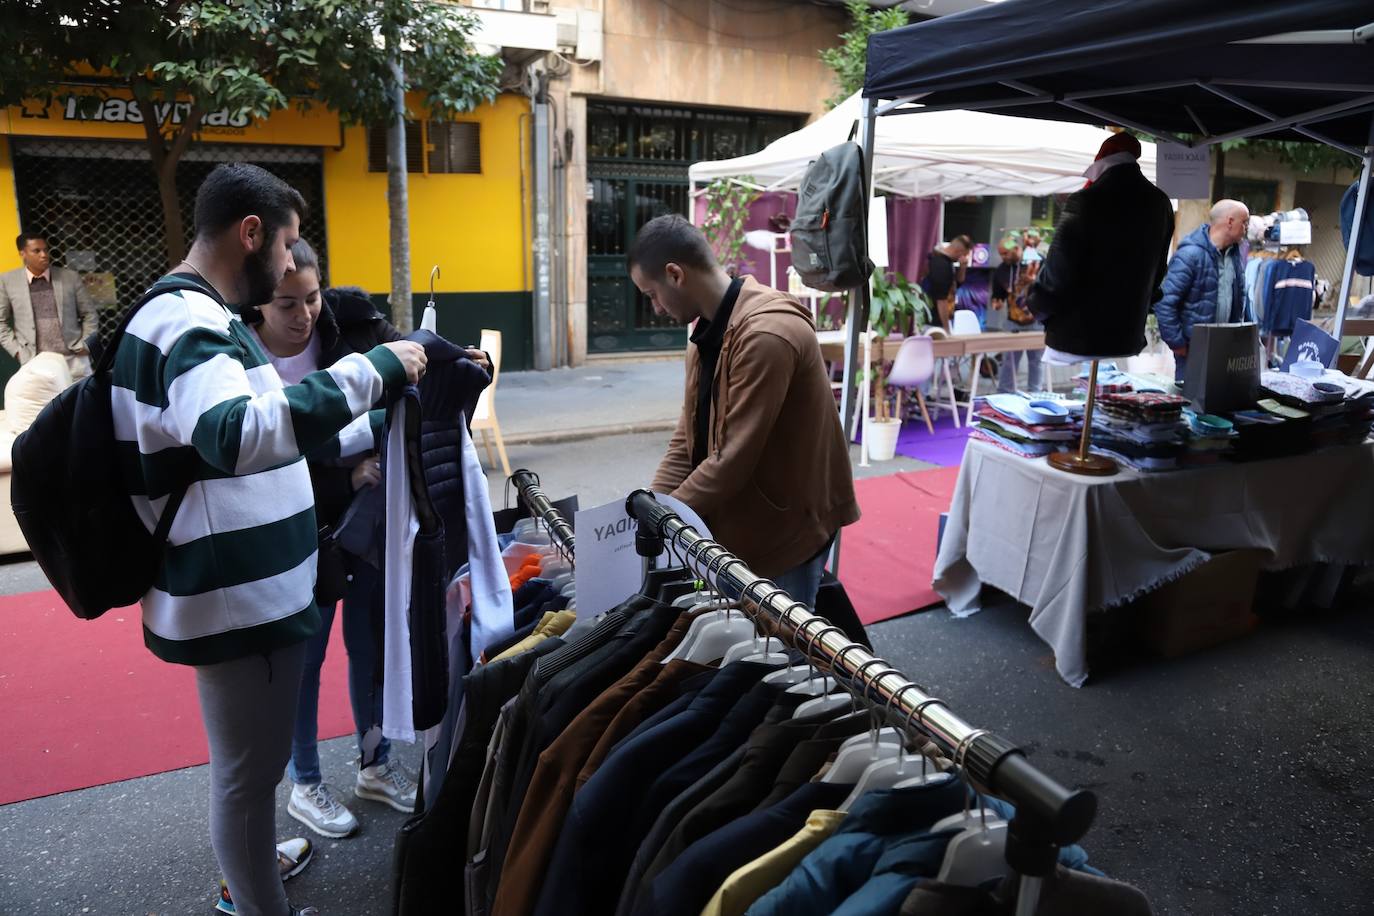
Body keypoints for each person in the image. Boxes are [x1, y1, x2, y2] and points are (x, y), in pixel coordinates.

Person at [111, 162, 427, 916]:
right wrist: (370, 370)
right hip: (238, 603)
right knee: (249, 781)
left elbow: (273, 420)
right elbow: (236, 433)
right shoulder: (186, 321)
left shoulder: (206, 317)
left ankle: (253, 881)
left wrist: (384, 415)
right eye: (286, 248)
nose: (291, 265)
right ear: (250, 235)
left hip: (248, 593)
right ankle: (258, 905)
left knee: (248, 778)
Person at [241, 241, 417, 841]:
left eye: (312, 298)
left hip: (364, 524)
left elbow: (404, 370)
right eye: (286, 303)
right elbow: (267, 444)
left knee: (369, 644)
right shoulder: (238, 355)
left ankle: (375, 764)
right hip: (298, 532)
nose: (304, 315)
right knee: (306, 661)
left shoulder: (352, 319)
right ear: (257, 304)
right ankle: (306, 781)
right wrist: (347, 461)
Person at [631, 215, 859, 607]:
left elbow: (732, 458)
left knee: (780, 656)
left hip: (788, 533)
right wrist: (653, 505)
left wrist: (665, 521)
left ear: (675, 274)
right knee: (746, 644)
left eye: (652, 294)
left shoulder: (766, 335)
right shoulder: (705, 333)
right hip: (746, 527)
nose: (655, 308)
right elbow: (688, 435)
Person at [1027, 133, 1175, 361]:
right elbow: (1158, 274)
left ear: (1101, 159)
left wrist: (1037, 306)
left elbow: (1057, 275)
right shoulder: (1161, 203)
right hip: (1127, 334)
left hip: (1076, 337)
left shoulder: (1085, 201)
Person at [1154, 198, 1253, 382]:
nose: (1247, 228)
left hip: (1224, 348)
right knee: (1192, 405)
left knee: (1218, 404)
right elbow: (1165, 302)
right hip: (1193, 350)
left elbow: (1239, 300)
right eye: (1244, 222)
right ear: (1230, 222)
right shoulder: (1190, 255)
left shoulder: (1235, 256)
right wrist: (1178, 343)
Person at [0, 232, 98, 378]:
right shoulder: (8, 281)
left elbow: (90, 313)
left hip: (74, 359)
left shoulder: (69, 277)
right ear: (23, 254)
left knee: (85, 400)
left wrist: (85, 344)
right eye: (36, 251)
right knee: (45, 402)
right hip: (35, 362)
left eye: (46, 249)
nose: (44, 255)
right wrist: (18, 352)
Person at [989, 234, 1044, 394]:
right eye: (1000, 254)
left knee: (1036, 361)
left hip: (1036, 320)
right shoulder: (1001, 270)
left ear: (1017, 248)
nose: (1003, 257)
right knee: (1009, 361)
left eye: (1005, 253)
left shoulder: (1037, 261)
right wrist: (996, 302)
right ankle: (1004, 394)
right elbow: (997, 294)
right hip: (1013, 322)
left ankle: (1035, 394)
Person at [921, 234, 971, 328]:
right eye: (964, 255)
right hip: (934, 322)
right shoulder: (941, 265)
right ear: (958, 251)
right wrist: (946, 328)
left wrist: (962, 267)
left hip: (942, 319)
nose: (964, 258)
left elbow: (957, 283)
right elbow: (941, 300)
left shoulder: (948, 263)